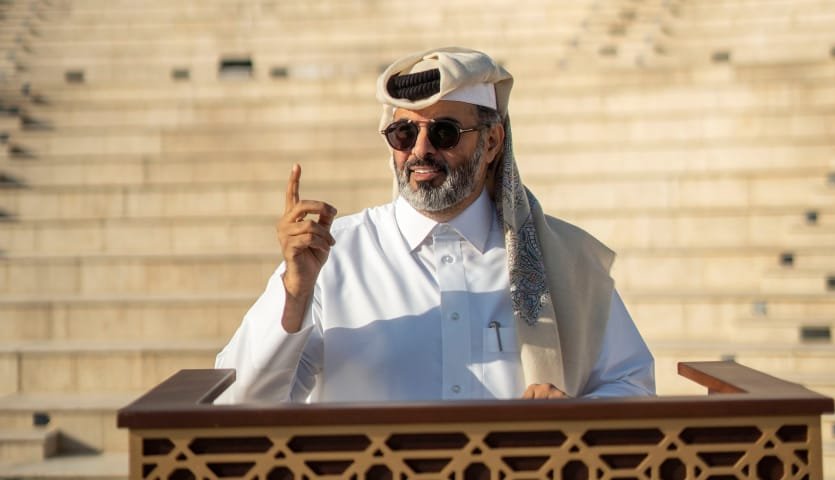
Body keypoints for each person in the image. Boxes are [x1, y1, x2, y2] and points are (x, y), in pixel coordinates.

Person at [215, 47, 654, 403]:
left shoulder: (559, 258)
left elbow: (631, 383)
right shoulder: (332, 256)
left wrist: (570, 416)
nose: (421, 150)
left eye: (444, 132)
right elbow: (242, 404)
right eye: (404, 134)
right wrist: (293, 297)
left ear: (492, 142)